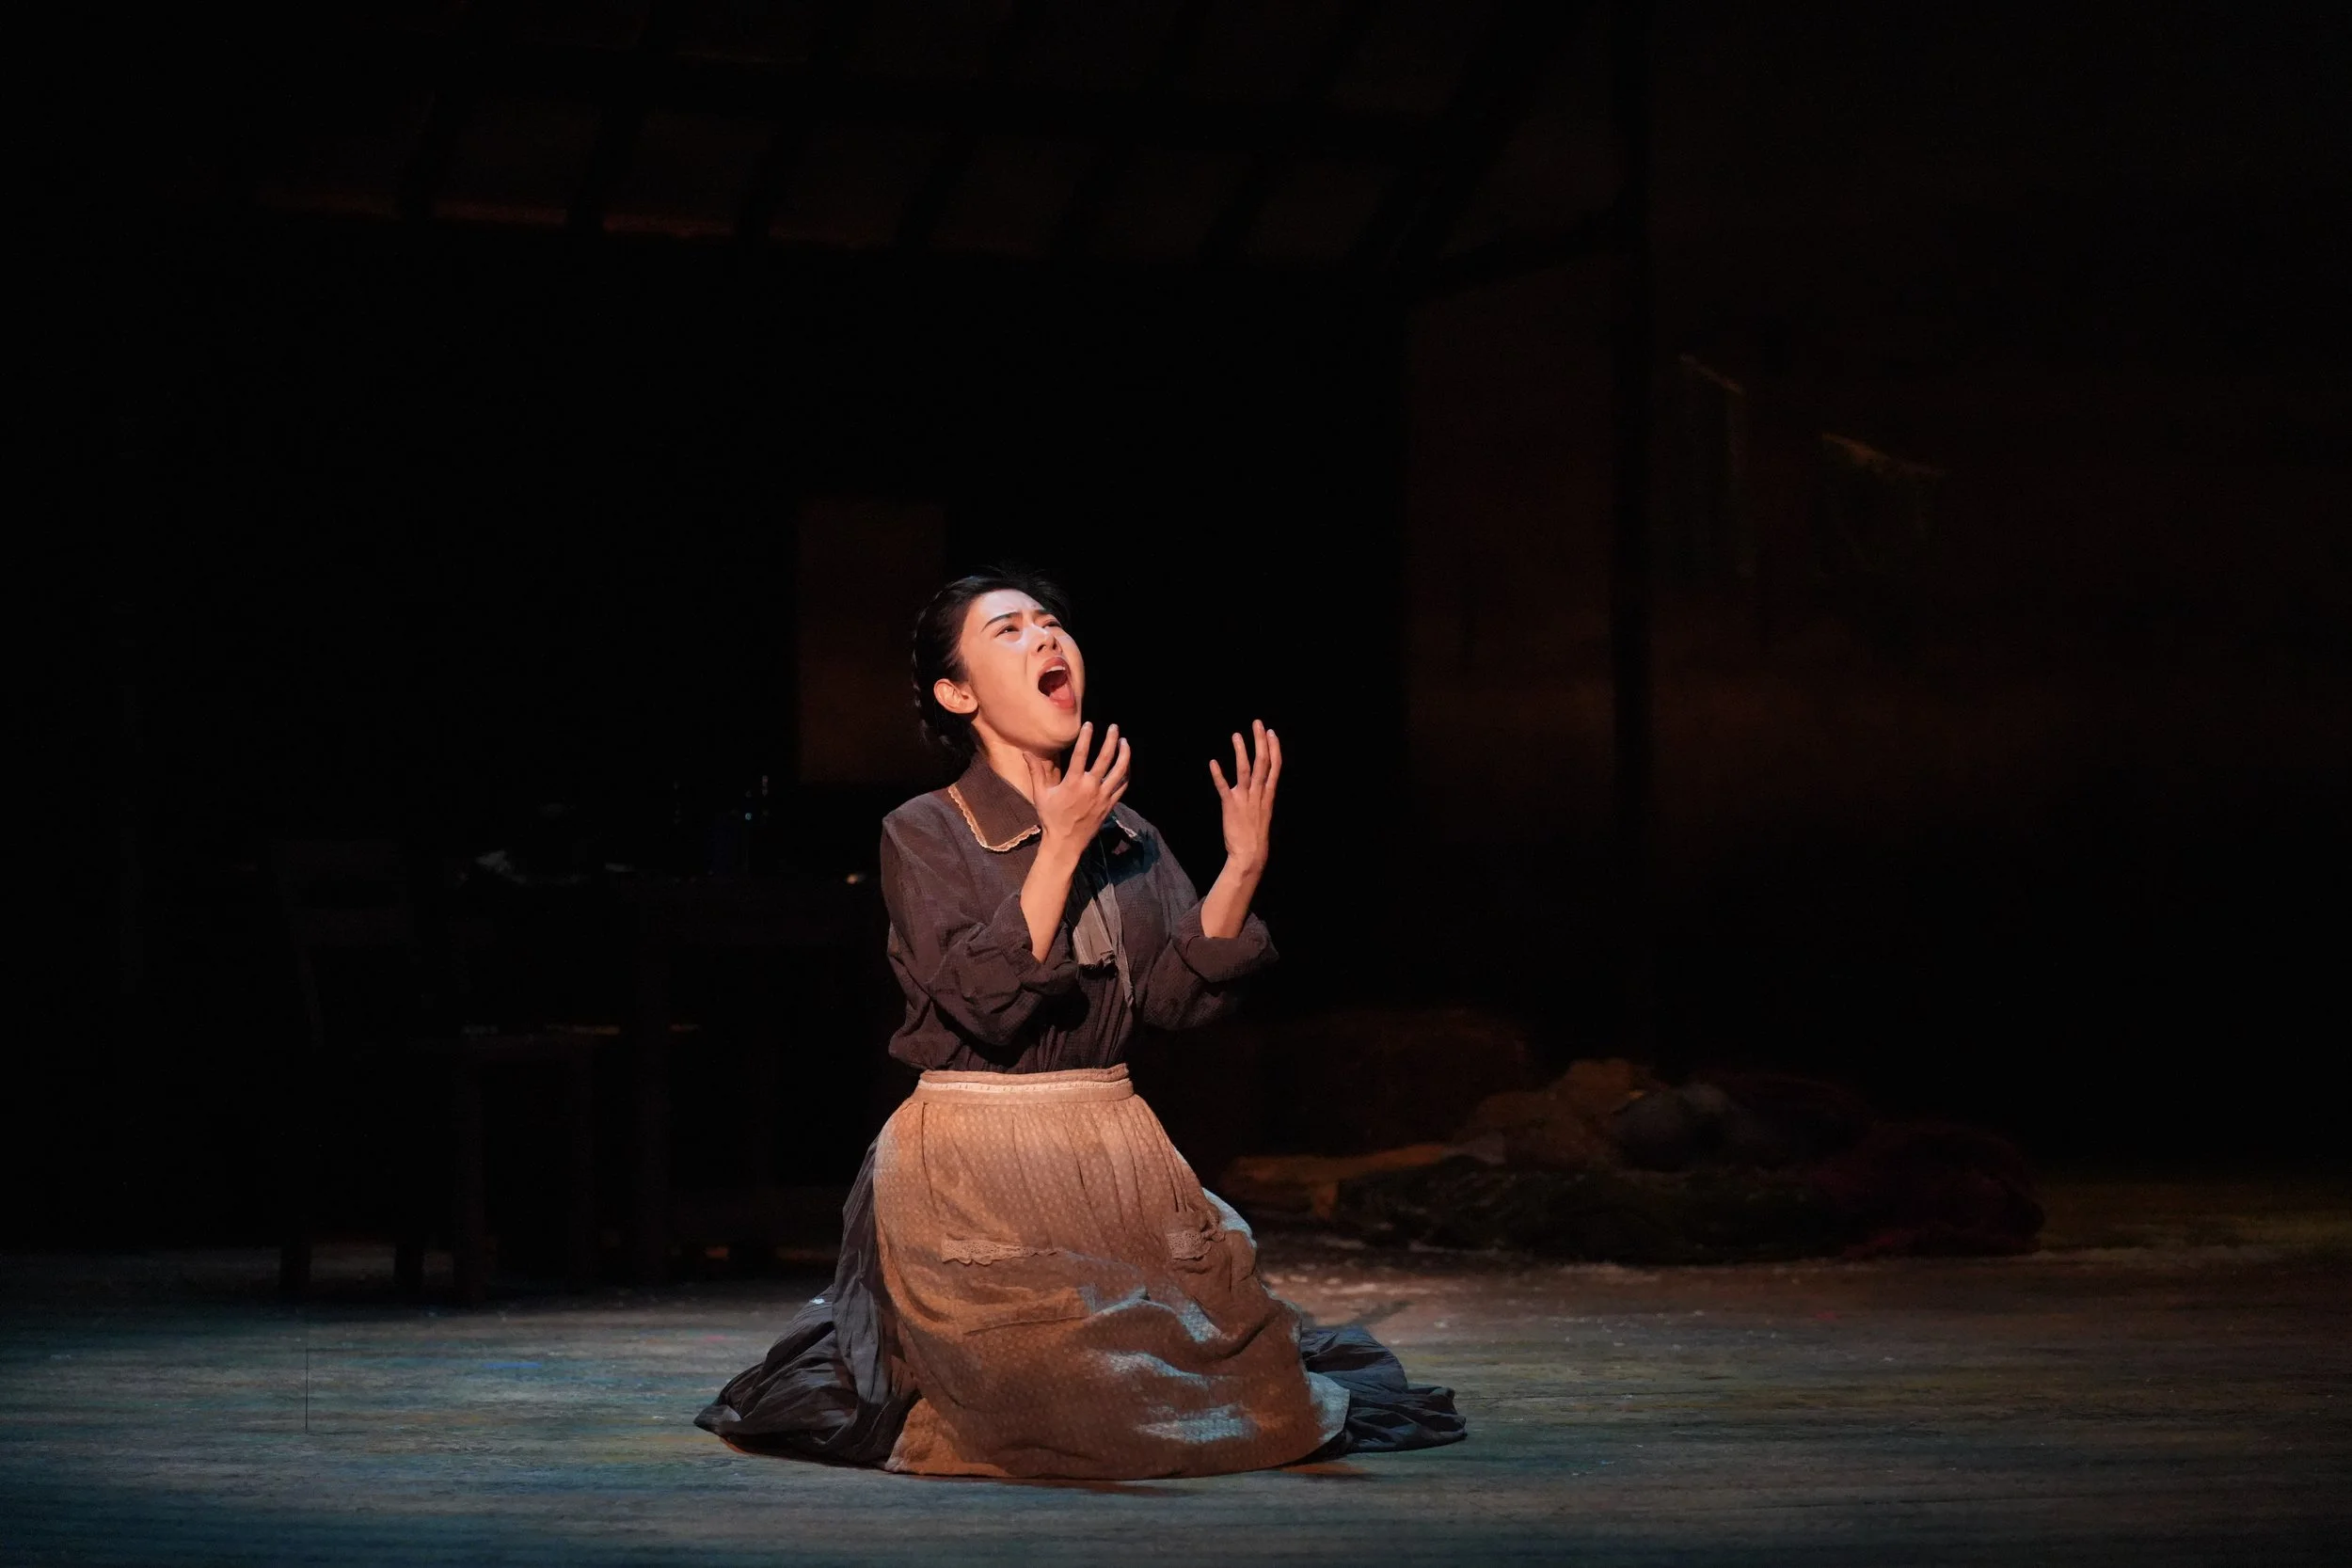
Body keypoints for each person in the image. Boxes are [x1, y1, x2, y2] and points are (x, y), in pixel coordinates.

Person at [695, 568, 1463, 1479]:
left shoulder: (1129, 831)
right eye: (1012, 629)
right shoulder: (926, 829)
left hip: (1113, 1152)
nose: (1047, 638)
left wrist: (1244, 864)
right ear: (958, 691)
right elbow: (980, 998)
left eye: (1053, 623)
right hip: (974, 1160)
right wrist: (1056, 845)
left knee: (1244, 1385)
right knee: (1048, 1387)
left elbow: (1178, 999)